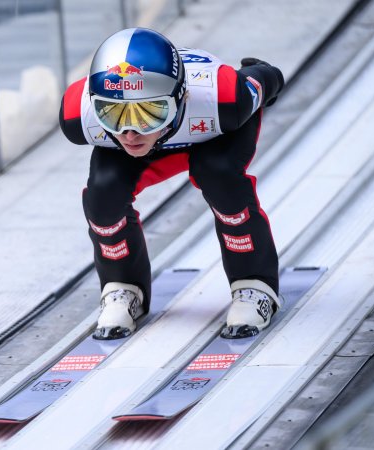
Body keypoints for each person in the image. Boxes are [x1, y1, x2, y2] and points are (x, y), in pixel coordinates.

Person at [58, 28, 284, 340]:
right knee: (103, 195)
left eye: (149, 112)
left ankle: (254, 284)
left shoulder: (226, 97)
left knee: (220, 176)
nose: (130, 132)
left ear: (183, 96)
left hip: (214, 136)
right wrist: (150, 120)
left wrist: (263, 74)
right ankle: (123, 286)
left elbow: (268, 77)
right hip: (172, 137)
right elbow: (128, 133)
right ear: (94, 104)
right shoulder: (77, 116)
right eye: (112, 113)